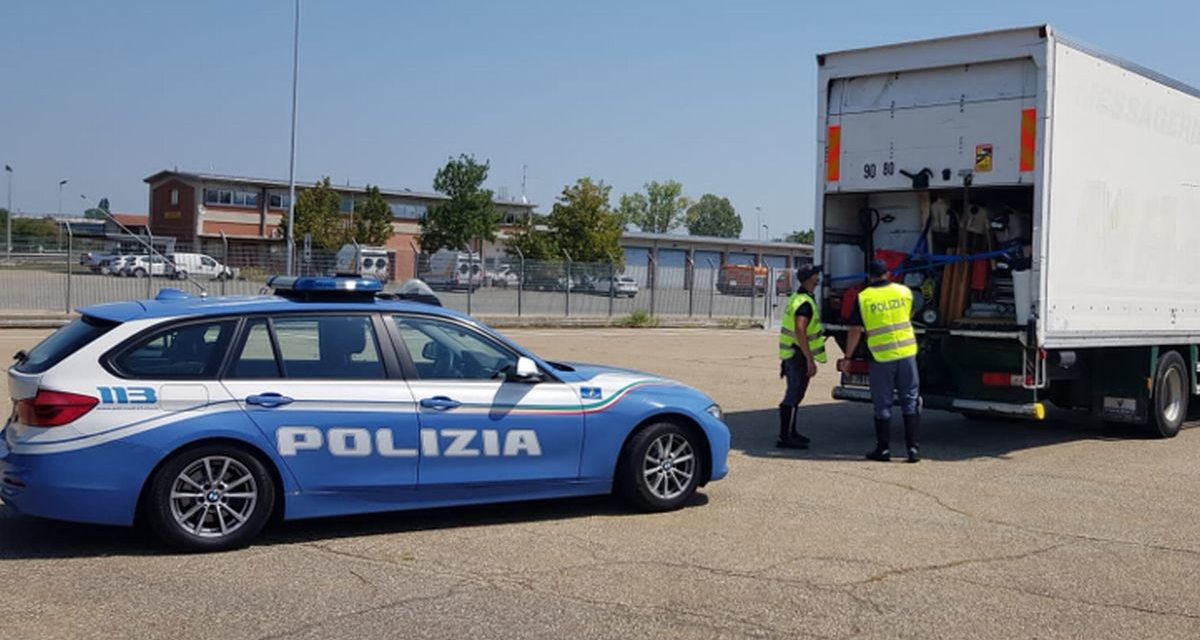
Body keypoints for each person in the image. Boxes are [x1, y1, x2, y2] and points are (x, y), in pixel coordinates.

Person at [837, 259, 921, 463]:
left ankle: (883, 450)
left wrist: (848, 357)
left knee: (882, 403)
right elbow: (910, 313)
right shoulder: (904, 292)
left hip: (882, 357)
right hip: (907, 353)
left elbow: (855, 330)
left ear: (869, 276)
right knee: (910, 399)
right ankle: (913, 449)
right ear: (888, 274)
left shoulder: (864, 297)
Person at [777, 263, 827, 449]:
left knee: (797, 394)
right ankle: (785, 436)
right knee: (793, 394)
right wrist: (809, 359)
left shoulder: (798, 298)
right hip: (798, 355)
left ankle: (791, 431)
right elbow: (800, 329)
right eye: (816, 275)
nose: (818, 278)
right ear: (809, 279)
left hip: (792, 353)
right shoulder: (804, 302)